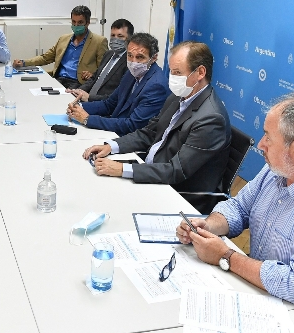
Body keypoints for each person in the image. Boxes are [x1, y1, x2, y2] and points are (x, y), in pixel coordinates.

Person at [82, 41, 231, 213]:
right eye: (171, 71)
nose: (172, 78)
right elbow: (149, 133)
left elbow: (176, 171)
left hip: (177, 194)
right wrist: (112, 146)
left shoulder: (211, 118)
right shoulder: (178, 97)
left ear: (200, 72)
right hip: (152, 171)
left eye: (178, 73)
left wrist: (122, 169)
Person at [177, 94, 294, 303]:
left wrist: (226, 256)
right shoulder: (273, 172)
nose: (261, 145)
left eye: (268, 138)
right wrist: (208, 226)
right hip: (252, 288)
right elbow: (239, 208)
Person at [66, 32, 169, 136]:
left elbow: (133, 125)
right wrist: (79, 107)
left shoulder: (156, 86)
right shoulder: (131, 73)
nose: (133, 62)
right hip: (116, 129)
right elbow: (109, 104)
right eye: (130, 55)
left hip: (130, 138)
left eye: (140, 57)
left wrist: (87, 119)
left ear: (154, 58)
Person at [13, 6, 108, 89]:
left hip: (79, 83)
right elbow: (45, 58)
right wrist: (24, 62)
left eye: (80, 22)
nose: (76, 25)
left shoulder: (99, 42)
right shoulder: (63, 39)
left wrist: (92, 75)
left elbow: (104, 69)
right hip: (58, 79)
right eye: (73, 22)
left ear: (87, 23)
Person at [67, 18, 133, 101]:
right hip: (86, 99)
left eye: (120, 36)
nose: (115, 39)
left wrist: (89, 98)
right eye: (113, 35)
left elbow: (117, 97)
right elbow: (94, 78)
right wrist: (78, 91)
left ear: (129, 39)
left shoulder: (130, 62)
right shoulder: (108, 54)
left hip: (101, 104)